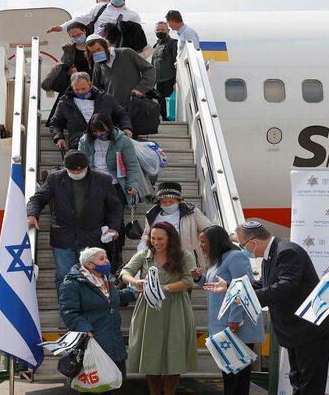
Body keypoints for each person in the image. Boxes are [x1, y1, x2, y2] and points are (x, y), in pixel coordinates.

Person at [204, 221, 329, 395]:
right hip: (299, 328)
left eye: (243, 245)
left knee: (309, 378)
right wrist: (232, 287)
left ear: (253, 242)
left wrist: (246, 296)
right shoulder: (273, 253)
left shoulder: (288, 252)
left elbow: (287, 285)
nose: (242, 250)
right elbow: (265, 284)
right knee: (298, 376)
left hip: (313, 327)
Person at [120, 222, 198, 395]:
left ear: (170, 238)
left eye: (160, 239)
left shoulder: (184, 255)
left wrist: (164, 288)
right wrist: (134, 281)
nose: (156, 242)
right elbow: (124, 272)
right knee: (150, 349)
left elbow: (189, 282)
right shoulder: (144, 255)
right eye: (153, 238)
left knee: (174, 349)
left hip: (175, 306)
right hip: (149, 307)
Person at [26, 150, 123, 299]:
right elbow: (38, 198)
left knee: (94, 274)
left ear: (87, 166)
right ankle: (67, 308)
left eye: (80, 170)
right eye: (72, 170)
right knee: (63, 274)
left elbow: (115, 207)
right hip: (63, 235)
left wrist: (113, 227)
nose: (76, 173)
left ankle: (92, 307)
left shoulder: (102, 180)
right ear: (65, 167)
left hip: (91, 235)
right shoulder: (55, 178)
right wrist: (32, 215)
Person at [191, 225, 264, 395]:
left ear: (215, 242)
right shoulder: (218, 260)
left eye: (204, 241)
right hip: (222, 324)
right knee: (229, 368)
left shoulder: (236, 257)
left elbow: (241, 287)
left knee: (238, 370)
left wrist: (235, 318)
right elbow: (219, 286)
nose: (201, 245)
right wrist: (200, 280)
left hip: (235, 324)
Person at [59, 247, 135, 395]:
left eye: (106, 257)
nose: (107, 261)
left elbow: (113, 299)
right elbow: (68, 310)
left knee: (110, 366)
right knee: (88, 369)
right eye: (102, 259)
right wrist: (83, 327)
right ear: (89, 264)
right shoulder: (72, 283)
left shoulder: (105, 279)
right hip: (91, 333)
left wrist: (132, 293)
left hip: (110, 330)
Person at [78, 113, 140, 272]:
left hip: (116, 185)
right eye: (96, 133)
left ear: (110, 128)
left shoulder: (122, 141)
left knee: (115, 224)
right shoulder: (85, 140)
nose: (100, 135)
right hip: (94, 186)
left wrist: (132, 184)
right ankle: (96, 261)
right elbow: (81, 164)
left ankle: (115, 261)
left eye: (103, 132)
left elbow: (132, 164)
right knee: (96, 222)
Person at [49, 72, 133, 150]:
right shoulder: (65, 102)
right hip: (79, 146)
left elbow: (121, 115)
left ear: (91, 85)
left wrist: (126, 128)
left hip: (107, 144)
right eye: (77, 89)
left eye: (83, 89)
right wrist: (59, 137)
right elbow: (55, 122)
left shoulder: (106, 99)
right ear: (72, 87)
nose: (81, 92)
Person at [140, 182, 213, 268]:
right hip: (161, 260)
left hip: (187, 260)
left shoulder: (192, 212)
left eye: (171, 202)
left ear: (179, 201)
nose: (167, 204)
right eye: (164, 202)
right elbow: (146, 235)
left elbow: (209, 228)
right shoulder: (151, 215)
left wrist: (228, 236)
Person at [86, 35, 156, 109]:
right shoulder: (98, 63)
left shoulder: (126, 53)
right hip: (114, 109)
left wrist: (141, 89)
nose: (97, 53)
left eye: (99, 49)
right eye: (93, 52)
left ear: (105, 46)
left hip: (134, 106)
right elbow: (97, 86)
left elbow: (149, 69)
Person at [47, 0, 141, 38]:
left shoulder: (132, 15)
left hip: (119, 51)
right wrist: (62, 27)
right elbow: (82, 19)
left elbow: (137, 34)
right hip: (98, 48)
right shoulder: (99, 7)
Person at [151, 21, 177, 121]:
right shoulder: (155, 46)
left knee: (168, 105)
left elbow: (176, 63)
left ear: (168, 31)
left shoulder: (173, 43)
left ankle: (169, 122)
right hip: (158, 81)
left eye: (162, 29)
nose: (160, 31)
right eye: (158, 30)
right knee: (161, 104)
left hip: (169, 79)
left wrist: (176, 82)